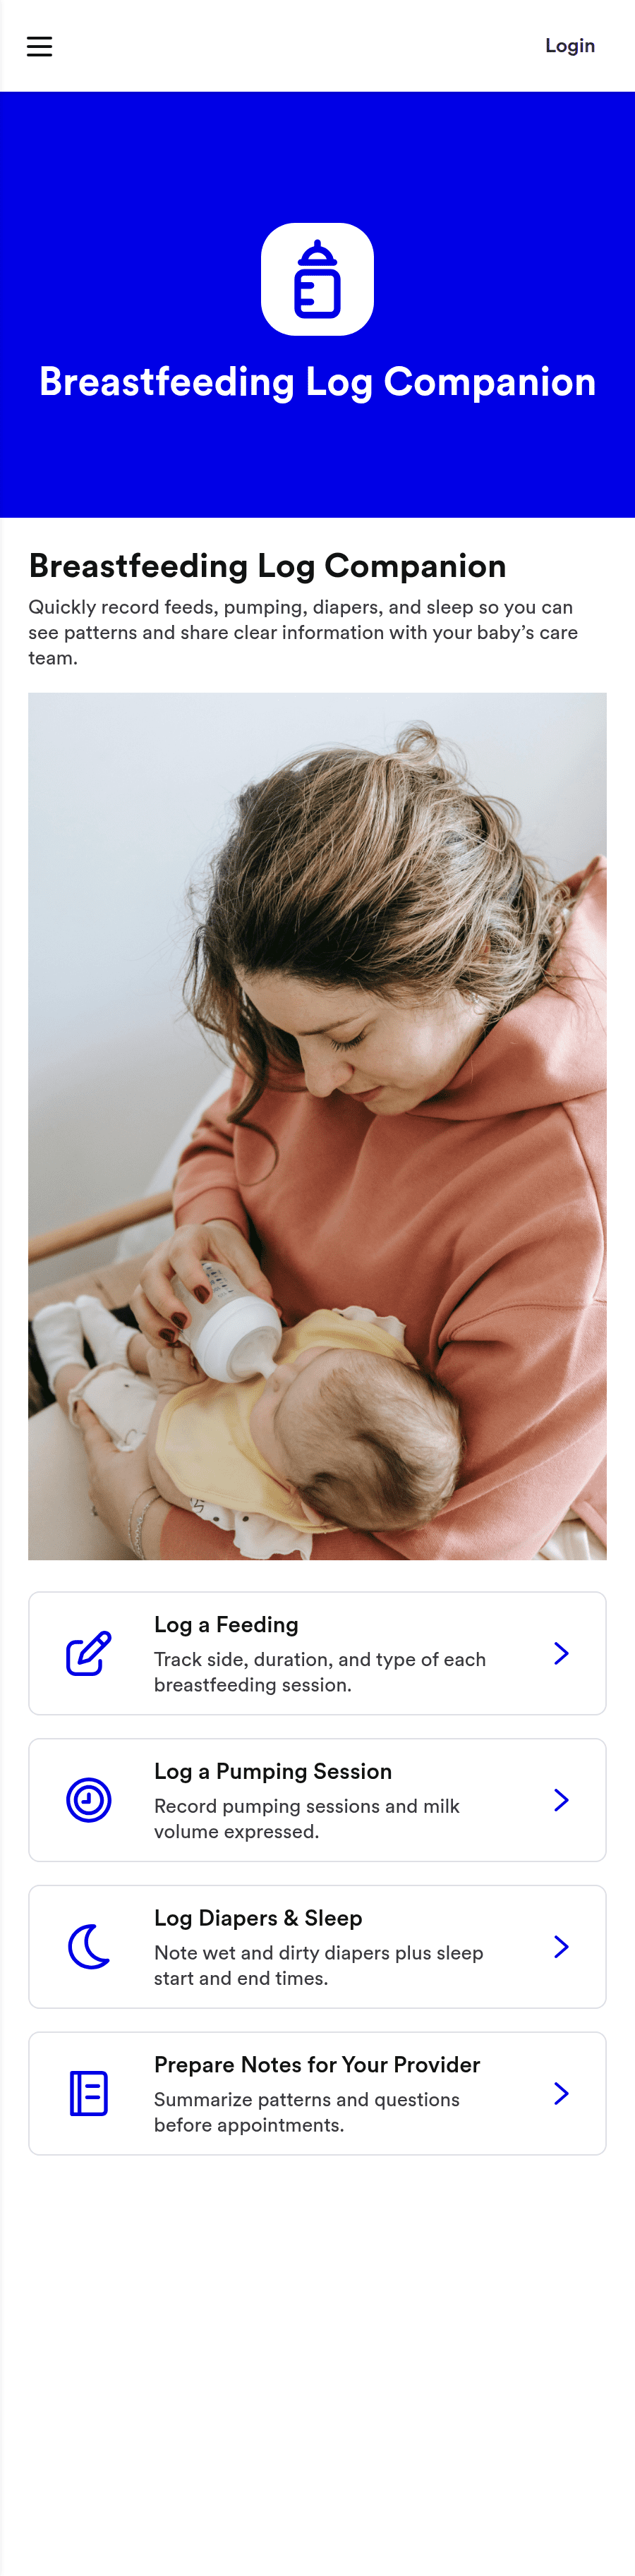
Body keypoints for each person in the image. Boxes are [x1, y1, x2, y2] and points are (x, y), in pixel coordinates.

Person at [71, 724, 606, 1561]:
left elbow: (445, 1556)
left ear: (473, 954)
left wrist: (149, 1524)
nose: (316, 1082)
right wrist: (208, 1222)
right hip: (235, 1405)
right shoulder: (316, 1032)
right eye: (289, 1039)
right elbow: (226, 1133)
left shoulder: (573, 1221)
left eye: (347, 1038)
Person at [31, 1290, 463, 1560]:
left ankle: (62, 1364)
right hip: (207, 1376)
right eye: (312, 1362)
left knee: (106, 1396)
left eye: (276, 1409)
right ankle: (115, 1340)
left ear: (298, 1495)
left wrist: (168, 1391)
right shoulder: (363, 1376)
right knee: (167, 1353)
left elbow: (162, 1474)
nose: (279, 1373)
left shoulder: (259, 1510)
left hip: (159, 1429)